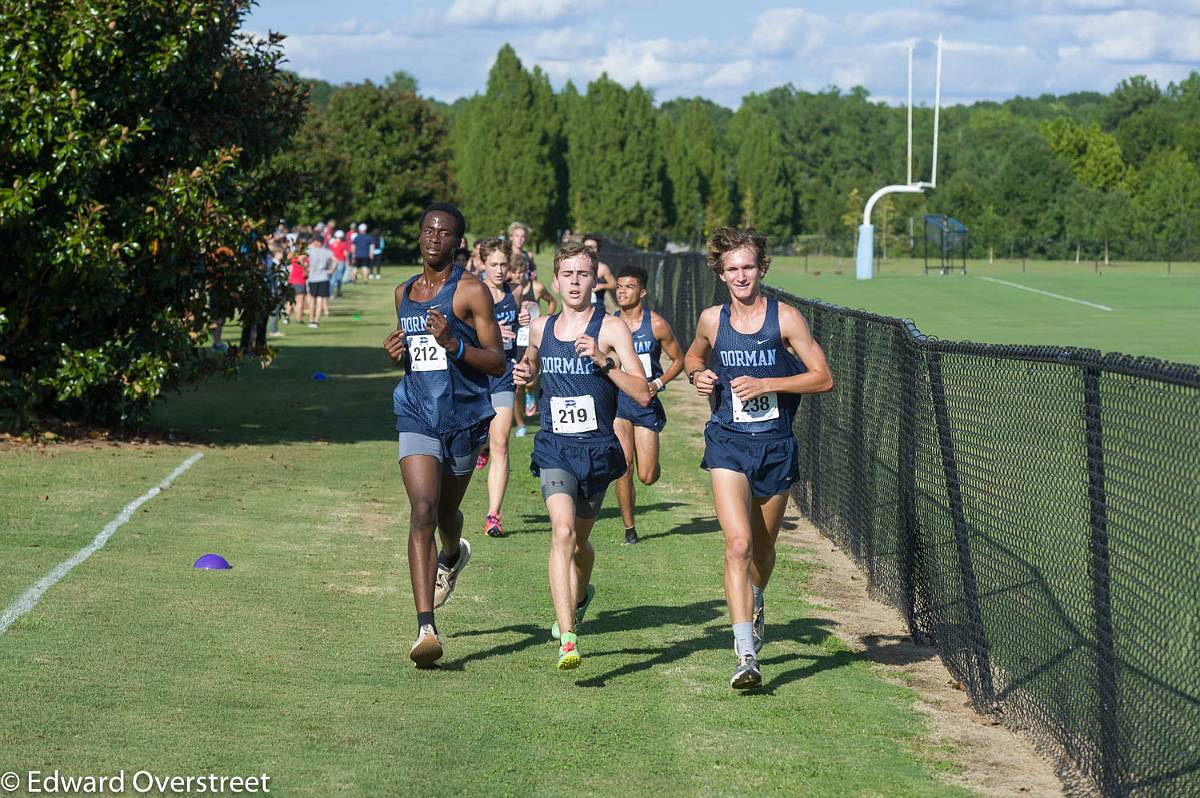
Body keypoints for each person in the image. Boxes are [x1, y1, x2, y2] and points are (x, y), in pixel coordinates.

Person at [683, 227, 834, 690]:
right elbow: (693, 356)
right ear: (721, 273)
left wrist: (768, 384)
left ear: (761, 268)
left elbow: (823, 377)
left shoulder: (786, 319)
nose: (741, 275)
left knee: (763, 551)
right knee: (738, 545)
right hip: (727, 441)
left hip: (774, 445)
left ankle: (757, 596)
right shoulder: (713, 319)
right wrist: (698, 377)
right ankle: (745, 652)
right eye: (732, 269)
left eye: (748, 267)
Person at [512, 240, 650, 671]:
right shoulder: (541, 327)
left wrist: (604, 363)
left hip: (597, 449)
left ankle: (582, 592)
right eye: (567, 274)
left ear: (595, 280)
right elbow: (532, 366)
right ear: (556, 280)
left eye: (583, 274)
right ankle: (567, 637)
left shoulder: (611, 330)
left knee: (581, 544)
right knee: (562, 532)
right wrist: (526, 373)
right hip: (555, 446)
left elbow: (643, 392)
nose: (575, 282)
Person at [383, 203, 505, 668]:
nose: (435, 238)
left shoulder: (470, 292)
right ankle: (425, 628)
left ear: (458, 242)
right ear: (419, 236)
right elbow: (412, 353)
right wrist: (395, 355)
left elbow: (496, 360)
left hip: (461, 417)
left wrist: (455, 345)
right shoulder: (404, 293)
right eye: (429, 230)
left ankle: (453, 553)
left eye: (445, 232)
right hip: (415, 411)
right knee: (423, 509)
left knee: (448, 512)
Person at [611, 264, 685, 545]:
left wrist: (659, 383)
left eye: (628, 287)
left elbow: (679, 359)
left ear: (642, 292)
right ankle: (630, 529)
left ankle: (652, 461)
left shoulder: (655, 324)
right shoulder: (610, 323)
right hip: (618, 402)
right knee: (623, 466)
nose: (622, 292)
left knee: (647, 475)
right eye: (618, 287)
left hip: (645, 402)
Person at [475, 238, 519, 538]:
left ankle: (493, 515)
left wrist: (523, 324)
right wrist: (488, 335)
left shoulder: (514, 296)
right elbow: (453, 335)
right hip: (475, 377)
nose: (500, 270)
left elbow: (521, 339)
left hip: (503, 376)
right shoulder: (471, 293)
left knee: (501, 441)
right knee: (475, 439)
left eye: (504, 264)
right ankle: (482, 446)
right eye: (494, 265)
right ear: (482, 264)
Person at [510, 252, 558, 438]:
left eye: (520, 271)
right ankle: (521, 423)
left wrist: (545, 319)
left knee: (531, 379)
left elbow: (552, 301)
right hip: (515, 340)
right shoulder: (508, 291)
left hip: (532, 339)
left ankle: (531, 393)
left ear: (526, 272)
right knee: (516, 386)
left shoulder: (536, 288)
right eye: (513, 272)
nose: (517, 276)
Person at [305, 235, 335, 327]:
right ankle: (316, 321)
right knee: (320, 300)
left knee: (312, 300)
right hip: (323, 277)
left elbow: (300, 258)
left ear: (317, 242)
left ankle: (311, 320)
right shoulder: (327, 252)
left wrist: (305, 268)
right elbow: (336, 261)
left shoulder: (310, 251)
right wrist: (331, 270)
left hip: (313, 278)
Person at [582, 235, 617, 312]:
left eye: (593, 247)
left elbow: (614, 284)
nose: (590, 249)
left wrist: (601, 286)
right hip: (579, 308)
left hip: (597, 309)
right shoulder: (576, 266)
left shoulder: (602, 268)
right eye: (587, 247)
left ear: (597, 249)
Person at [329, 229, 350, 297]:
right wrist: (347, 261)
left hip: (333, 262)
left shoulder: (332, 244)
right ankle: (338, 291)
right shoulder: (343, 244)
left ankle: (331, 292)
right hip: (341, 262)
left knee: (333, 277)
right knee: (339, 278)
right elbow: (345, 253)